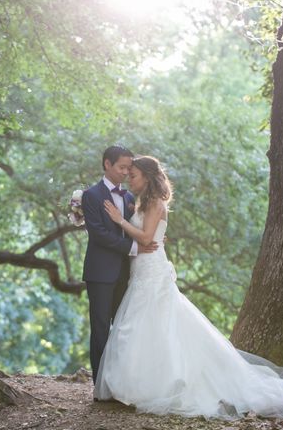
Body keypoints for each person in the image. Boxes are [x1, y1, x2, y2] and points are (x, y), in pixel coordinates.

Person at [94, 156, 283, 419]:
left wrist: (119, 221)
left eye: (134, 175)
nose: (129, 179)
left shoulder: (155, 203)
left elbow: (147, 237)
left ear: (147, 177)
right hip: (141, 269)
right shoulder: (141, 203)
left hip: (151, 270)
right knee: (139, 325)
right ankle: (136, 382)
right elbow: (150, 235)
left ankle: (165, 383)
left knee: (153, 323)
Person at [81, 145, 157, 386]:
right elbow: (99, 234)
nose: (126, 172)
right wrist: (135, 248)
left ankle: (122, 382)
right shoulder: (91, 195)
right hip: (100, 273)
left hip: (127, 273)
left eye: (128, 168)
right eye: (122, 167)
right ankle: (101, 386)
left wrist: (154, 237)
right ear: (107, 164)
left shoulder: (128, 198)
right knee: (101, 328)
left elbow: (138, 229)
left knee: (124, 328)